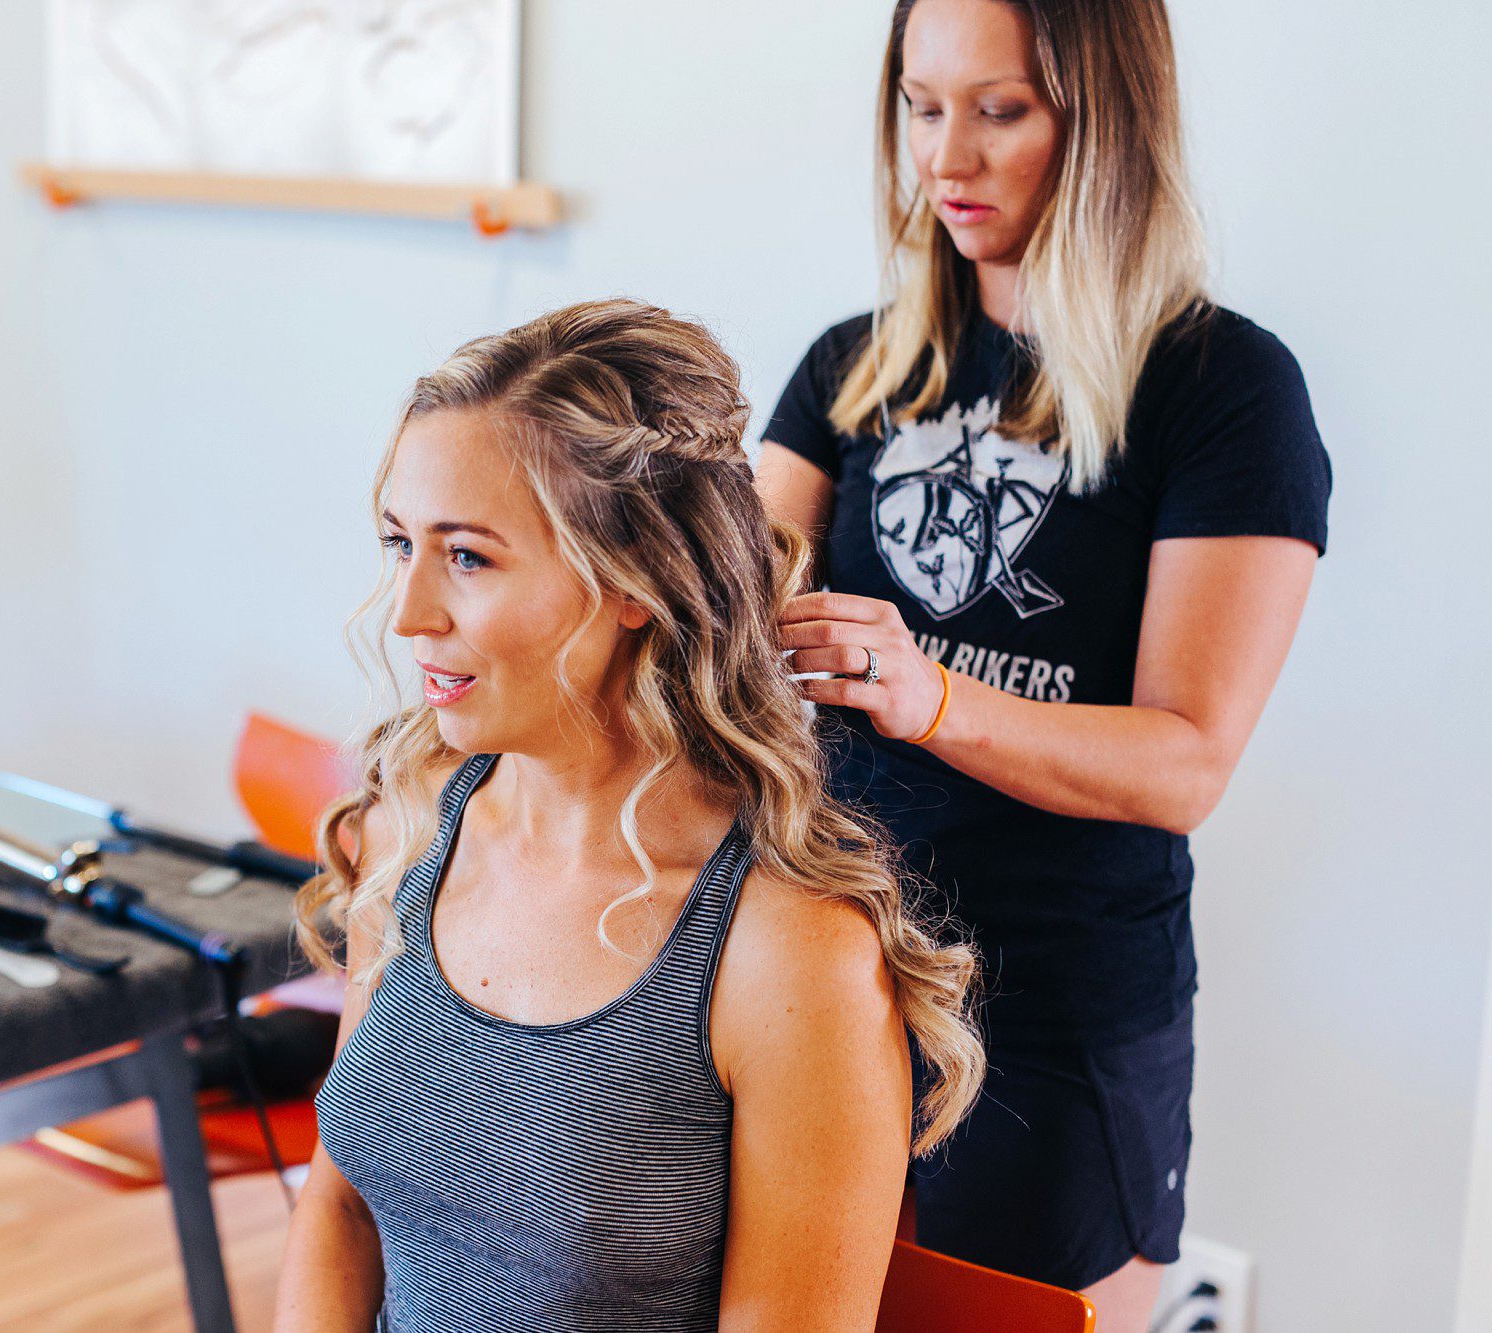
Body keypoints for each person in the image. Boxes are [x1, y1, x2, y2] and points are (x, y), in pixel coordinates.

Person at [755, 1, 1331, 1328]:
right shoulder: (853, 369)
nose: (944, 156)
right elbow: (724, 609)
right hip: (828, 985)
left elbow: (1185, 759)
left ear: (1105, 117)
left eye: (1000, 109)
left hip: (1055, 1021)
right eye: (919, 103)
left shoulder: (1221, 389)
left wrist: (933, 695)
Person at [274, 300, 983, 1331]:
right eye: (400, 544)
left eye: (466, 556)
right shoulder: (414, 827)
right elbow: (336, 1206)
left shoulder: (788, 951)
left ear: (632, 580)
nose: (409, 612)